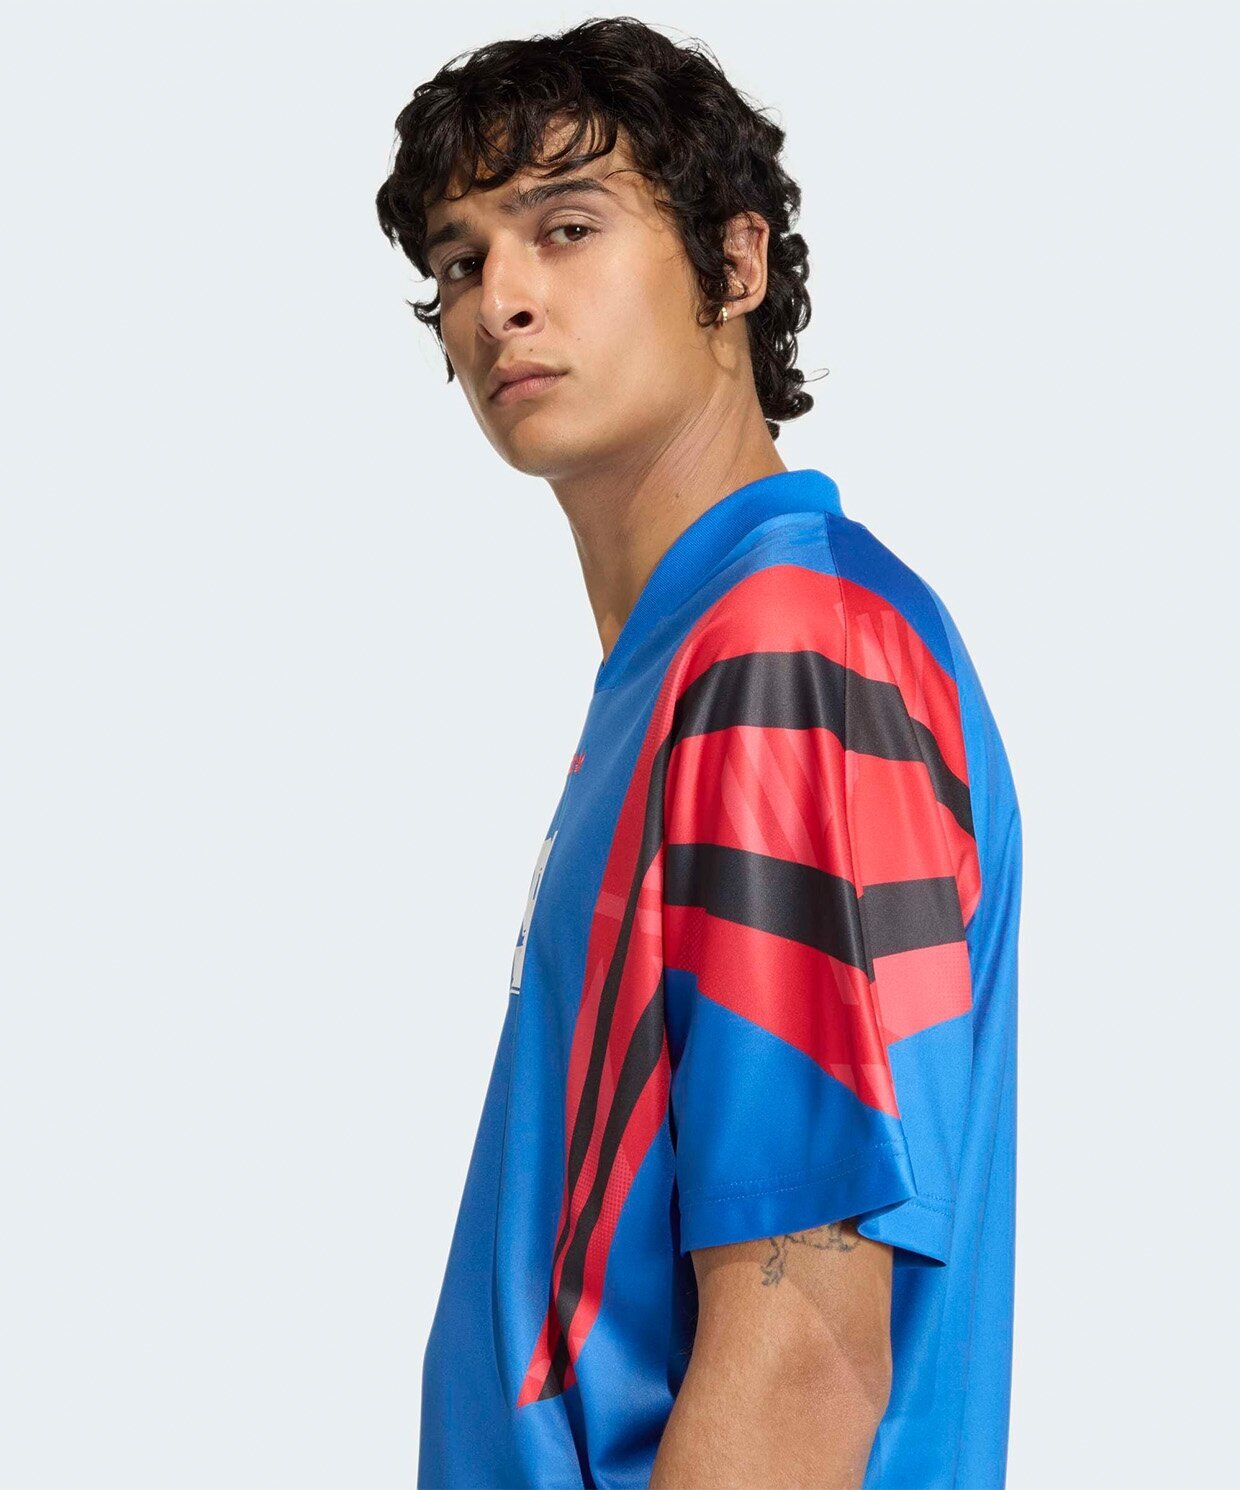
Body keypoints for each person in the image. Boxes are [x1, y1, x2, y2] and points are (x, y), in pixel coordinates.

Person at [375, 16, 1022, 1490]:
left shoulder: (787, 654)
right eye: (462, 259)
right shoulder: (690, 665)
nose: (500, 301)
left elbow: (806, 1349)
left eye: (567, 227)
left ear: (734, 266)